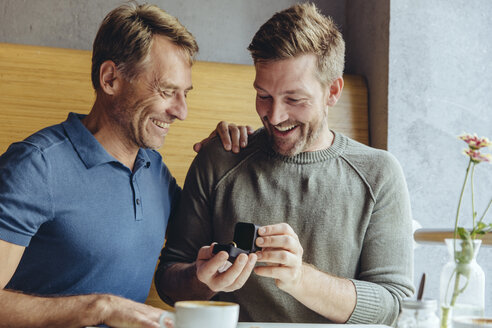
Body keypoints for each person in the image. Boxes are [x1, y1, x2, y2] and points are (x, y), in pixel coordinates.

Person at [156, 3, 415, 326]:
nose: (275, 117)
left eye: (294, 99)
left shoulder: (379, 174)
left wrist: (300, 279)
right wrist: (201, 279)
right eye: (264, 95)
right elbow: (168, 282)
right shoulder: (220, 158)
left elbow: (395, 304)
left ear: (332, 91)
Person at [0, 3, 250, 328]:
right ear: (110, 79)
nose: (181, 112)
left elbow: (180, 268)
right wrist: (101, 308)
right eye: (166, 91)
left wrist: (221, 156)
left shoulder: (155, 170)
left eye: (184, 94)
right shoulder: (34, 166)